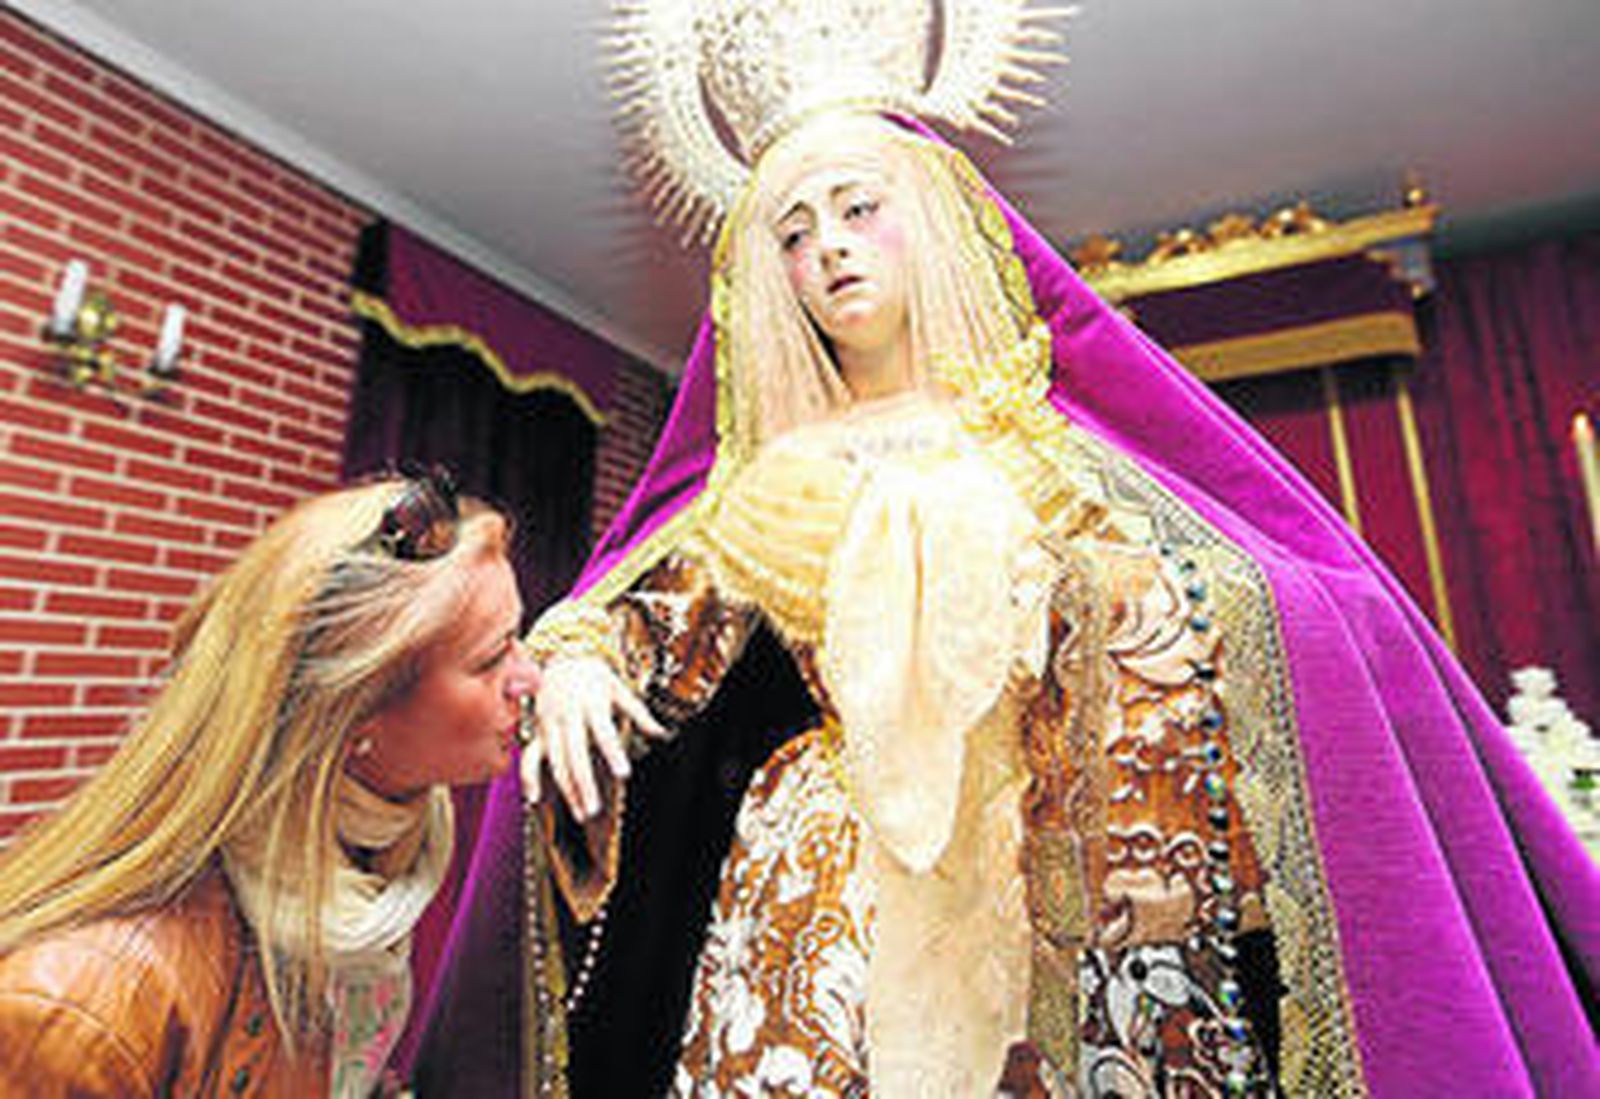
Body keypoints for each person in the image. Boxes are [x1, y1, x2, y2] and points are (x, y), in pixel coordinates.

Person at [419, 7, 1599, 1097]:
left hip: (1043, 850)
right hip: (825, 877)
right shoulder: (764, 479)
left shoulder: (1040, 442)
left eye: (858, 207)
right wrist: (572, 654)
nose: (830, 249)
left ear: (930, 222)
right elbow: (641, 606)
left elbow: (1237, 583)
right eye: (793, 230)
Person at [0, 472, 538, 1098]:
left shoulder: (363, 866)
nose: (529, 677)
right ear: (354, 713)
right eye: (491, 658)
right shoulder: (81, 1015)